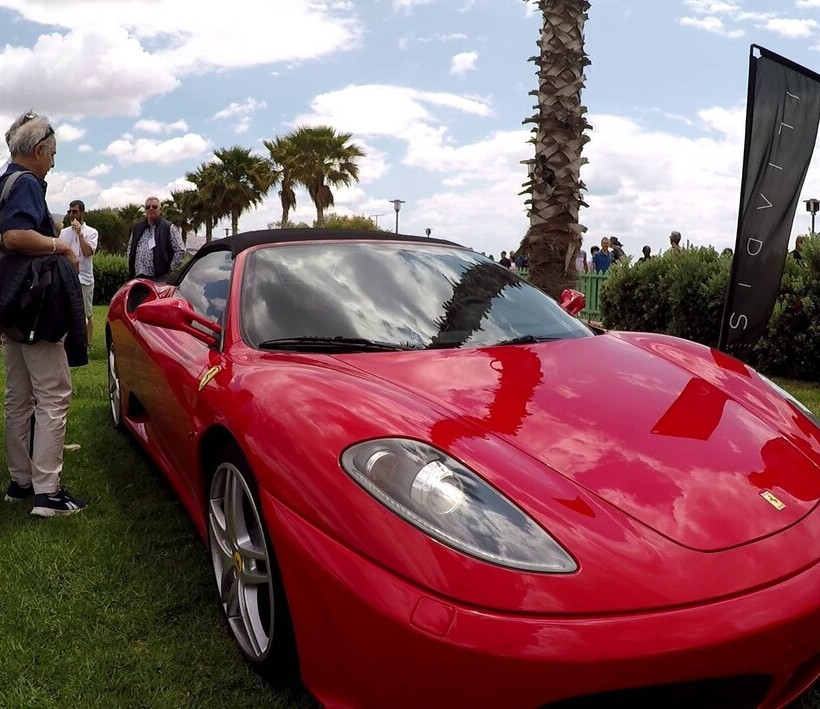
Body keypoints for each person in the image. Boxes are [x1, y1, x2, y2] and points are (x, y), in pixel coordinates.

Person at [0, 110, 87, 517]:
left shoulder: (4, 181)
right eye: (52, 153)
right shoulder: (27, 184)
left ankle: (20, 482)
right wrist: (60, 246)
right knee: (53, 394)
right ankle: (48, 493)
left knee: (18, 396)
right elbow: (15, 236)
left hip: (11, 305)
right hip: (33, 307)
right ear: (37, 151)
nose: (53, 161)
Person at [59, 200, 98, 347]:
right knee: (66, 311)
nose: (72, 215)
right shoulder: (64, 233)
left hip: (85, 279)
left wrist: (80, 233)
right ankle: (68, 342)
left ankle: (87, 343)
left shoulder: (92, 232)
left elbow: (87, 252)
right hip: (68, 278)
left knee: (86, 313)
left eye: (75, 211)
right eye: (70, 212)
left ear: (82, 213)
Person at [126, 196, 185, 279]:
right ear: (145, 210)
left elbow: (180, 250)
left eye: (154, 207)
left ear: (160, 210)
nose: (151, 209)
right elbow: (130, 247)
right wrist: (130, 263)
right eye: (148, 207)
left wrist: (170, 270)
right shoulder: (137, 227)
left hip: (159, 279)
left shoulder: (168, 227)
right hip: (138, 277)